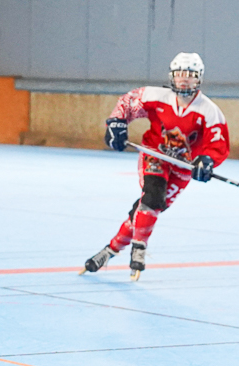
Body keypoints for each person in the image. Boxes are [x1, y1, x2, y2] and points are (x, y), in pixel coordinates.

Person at [82, 52, 230, 281]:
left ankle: (110, 250)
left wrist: (207, 161)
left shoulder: (209, 111)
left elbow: (217, 144)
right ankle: (138, 249)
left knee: (147, 209)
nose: (184, 79)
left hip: (183, 168)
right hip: (155, 155)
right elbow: (127, 103)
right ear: (172, 76)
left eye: (190, 75)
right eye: (180, 74)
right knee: (152, 196)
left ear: (199, 78)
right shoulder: (156, 96)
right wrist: (116, 123)